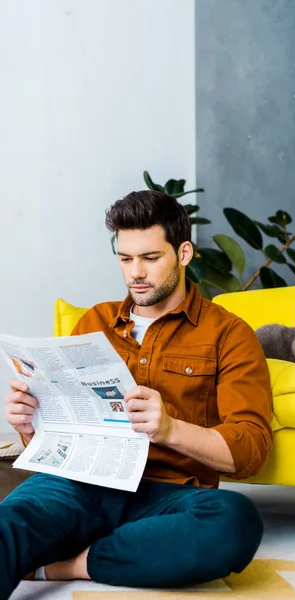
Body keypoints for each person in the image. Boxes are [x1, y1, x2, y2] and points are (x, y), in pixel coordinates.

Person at [1, 190, 273, 599]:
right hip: (81, 483)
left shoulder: (229, 335)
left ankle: (69, 564)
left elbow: (251, 450)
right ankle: (114, 549)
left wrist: (169, 429)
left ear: (183, 253)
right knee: (9, 522)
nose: (135, 273)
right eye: (125, 259)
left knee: (234, 520)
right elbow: (61, 434)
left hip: (168, 493)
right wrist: (29, 425)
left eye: (150, 258)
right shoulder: (94, 322)